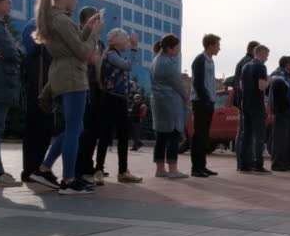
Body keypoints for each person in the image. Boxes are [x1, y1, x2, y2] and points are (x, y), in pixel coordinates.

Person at [33, 0, 103, 194]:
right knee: (74, 130)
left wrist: (87, 28)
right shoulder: (62, 20)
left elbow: (72, 44)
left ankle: (44, 169)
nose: (77, 0)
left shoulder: (55, 18)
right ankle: (69, 180)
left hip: (63, 75)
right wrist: (95, 33)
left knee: (75, 127)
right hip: (72, 77)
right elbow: (82, 52)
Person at [94, 28, 142, 185]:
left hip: (118, 99)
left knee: (122, 135)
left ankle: (122, 171)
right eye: (125, 37)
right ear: (113, 40)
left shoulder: (115, 54)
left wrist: (129, 85)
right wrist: (134, 48)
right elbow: (127, 66)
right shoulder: (111, 54)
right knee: (106, 135)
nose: (128, 39)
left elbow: (119, 74)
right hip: (110, 99)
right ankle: (99, 170)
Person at [0, 0, 23, 186]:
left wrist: (13, 51)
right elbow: (12, 51)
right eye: (8, 1)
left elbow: (12, 50)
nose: (10, 5)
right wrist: (13, 51)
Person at [20, 18, 54, 186]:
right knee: (37, 128)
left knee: (43, 129)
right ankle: (32, 169)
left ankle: (34, 169)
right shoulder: (35, 25)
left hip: (44, 84)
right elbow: (30, 51)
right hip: (38, 85)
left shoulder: (38, 25)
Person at [150, 34, 188, 179]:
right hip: (170, 103)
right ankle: (173, 169)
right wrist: (186, 98)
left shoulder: (156, 60)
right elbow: (178, 84)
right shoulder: (166, 63)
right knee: (173, 135)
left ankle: (160, 169)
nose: (179, 50)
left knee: (161, 137)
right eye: (177, 47)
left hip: (159, 102)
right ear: (169, 49)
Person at [75, 6, 104, 185]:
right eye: (97, 20)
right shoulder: (81, 35)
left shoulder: (99, 41)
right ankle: (80, 169)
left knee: (93, 131)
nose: (100, 23)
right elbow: (86, 58)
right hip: (82, 86)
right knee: (83, 131)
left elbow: (100, 63)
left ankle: (88, 167)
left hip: (97, 89)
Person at [190, 33, 220, 178]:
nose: (219, 49)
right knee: (199, 134)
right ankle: (195, 168)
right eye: (217, 45)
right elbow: (198, 83)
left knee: (204, 135)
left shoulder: (210, 61)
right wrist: (206, 99)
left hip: (209, 101)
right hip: (201, 102)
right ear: (210, 45)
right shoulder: (200, 60)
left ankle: (202, 166)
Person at [239, 45, 270, 173]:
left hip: (245, 103)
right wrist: (270, 81)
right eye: (267, 55)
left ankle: (244, 164)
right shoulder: (261, 67)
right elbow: (262, 86)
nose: (267, 59)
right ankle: (258, 164)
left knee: (246, 134)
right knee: (259, 135)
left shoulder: (245, 66)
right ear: (261, 53)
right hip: (257, 104)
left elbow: (241, 86)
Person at [233, 40, 260, 170]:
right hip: (246, 101)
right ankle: (244, 162)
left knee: (243, 131)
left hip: (242, 100)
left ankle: (243, 162)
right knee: (246, 132)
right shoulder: (248, 62)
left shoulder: (243, 61)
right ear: (253, 50)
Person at [270, 56, 290, 171]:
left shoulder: (286, 75)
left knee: (286, 138)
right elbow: (278, 93)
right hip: (282, 111)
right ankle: (278, 163)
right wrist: (285, 107)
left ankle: (284, 162)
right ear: (287, 64)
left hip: (287, 111)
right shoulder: (279, 75)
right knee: (281, 138)